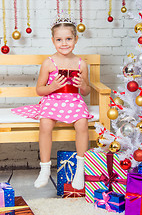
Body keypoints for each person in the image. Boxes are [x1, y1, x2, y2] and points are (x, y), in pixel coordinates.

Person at [12, 14, 93, 190]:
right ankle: (45, 168)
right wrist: (52, 86)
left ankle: (81, 169)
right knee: (46, 124)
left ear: (76, 39)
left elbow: (86, 91)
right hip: (53, 99)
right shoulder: (48, 63)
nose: (64, 43)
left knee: (82, 124)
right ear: (53, 40)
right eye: (59, 39)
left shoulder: (81, 64)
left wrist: (83, 85)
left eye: (69, 39)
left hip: (73, 100)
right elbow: (39, 89)